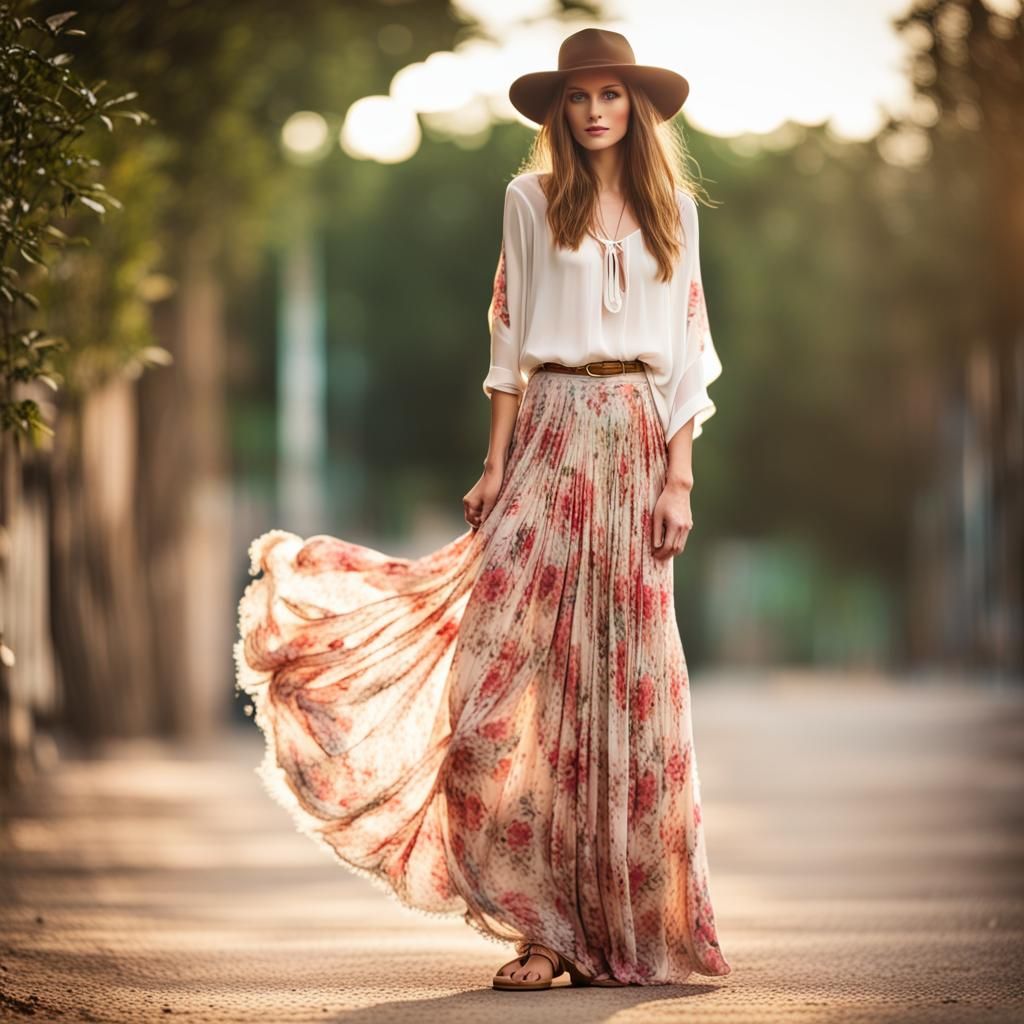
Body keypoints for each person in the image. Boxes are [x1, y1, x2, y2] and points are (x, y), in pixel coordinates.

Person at [235, 26, 731, 991]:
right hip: (548, 428)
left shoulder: (674, 209)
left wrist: (679, 481)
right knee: (505, 671)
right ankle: (540, 925)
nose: (594, 112)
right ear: (560, 110)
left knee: (624, 675)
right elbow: (507, 340)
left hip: (635, 442)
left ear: (635, 107)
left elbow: (690, 355)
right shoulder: (529, 200)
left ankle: (624, 920)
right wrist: (496, 464)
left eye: (610, 96)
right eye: (578, 97)